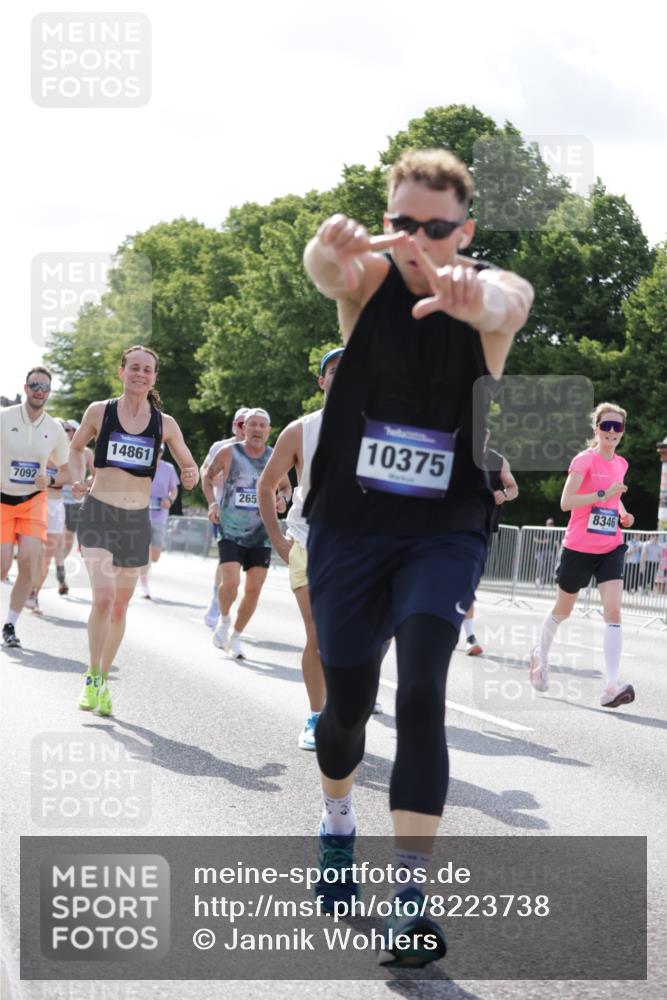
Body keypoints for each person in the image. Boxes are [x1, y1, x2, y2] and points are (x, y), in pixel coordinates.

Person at [301, 148, 533, 966]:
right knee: (347, 709)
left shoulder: (488, 295)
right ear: (385, 221)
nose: (417, 240)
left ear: (462, 231)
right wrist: (324, 247)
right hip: (349, 528)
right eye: (402, 223)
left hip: (443, 528)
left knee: (424, 693)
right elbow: (327, 270)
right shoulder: (366, 281)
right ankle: (336, 821)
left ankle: (409, 901)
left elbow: (509, 301)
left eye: (436, 229)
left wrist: (475, 297)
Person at [69, 345, 199, 716]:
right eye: (134, 368)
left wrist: (191, 474)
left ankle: (103, 678)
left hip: (135, 520)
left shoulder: (165, 424)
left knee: (120, 607)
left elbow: (189, 466)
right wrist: (77, 478)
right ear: (122, 372)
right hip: (98, 512)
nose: (140, 374)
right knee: (104, 598)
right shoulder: (100, 411)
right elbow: (76, 449)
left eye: (147, 370)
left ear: (154, 377)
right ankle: (92, 676)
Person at [257, 348, 341, 750]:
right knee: (319, 636)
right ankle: (316, 716)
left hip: (359, 550)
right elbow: (266, 484)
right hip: (308, 542)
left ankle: (345, 705)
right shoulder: (300, 431)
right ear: (322, 381)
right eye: (335, 371)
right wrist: (278, 539)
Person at [529, 403, 635, 709]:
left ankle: (611, 685)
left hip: (610, 546)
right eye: (606, 426)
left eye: (617, 427)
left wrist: (623, 513)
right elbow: (566, 502)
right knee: (563, 611)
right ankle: (540, 655)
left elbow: (613, 499)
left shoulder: (622, 463)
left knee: (613, 611)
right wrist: (602, 495)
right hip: (578, 548)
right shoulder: (584, 460)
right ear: (596, 429)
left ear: (622, 431)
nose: (612, 432)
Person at [204, 408, 291, 660]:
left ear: (269, 431)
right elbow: (207, 477)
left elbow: (286, 486)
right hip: (230, 529)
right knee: (231, 583)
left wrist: (283, 499)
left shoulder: (275, 457)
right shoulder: (228, 452)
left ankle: (236, 636)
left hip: (262, 533)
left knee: (254, 590)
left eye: (262, 425)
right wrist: (212, 503)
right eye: (252, 424)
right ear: (244, 427)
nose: (257, 429)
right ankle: (223, 619)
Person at [1, 367, 69, 647]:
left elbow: (66, 471)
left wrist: (50, 479)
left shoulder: (54, 429)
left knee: (29, 564)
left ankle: (9, 625)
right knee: (3, 564)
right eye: (35, 386)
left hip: (33, 501)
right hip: (2, 500)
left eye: (45, 387)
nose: (40, 391)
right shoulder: (4, 418)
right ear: (26, 388)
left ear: (49, 392)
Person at [463, 431, 518, 656]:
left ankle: (468, 636)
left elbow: (513, 488)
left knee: (467, 583)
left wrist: (504, 494)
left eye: (483, 430)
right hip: (449, 527)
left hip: (481, 531)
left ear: (488, 434)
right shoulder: (457, 452)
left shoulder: (498, 461)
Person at [200, 407, 249, 626]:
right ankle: (216, 603)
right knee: (227, 561)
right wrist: (213, 484)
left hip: (251, 517)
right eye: (240, 424)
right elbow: (204, 472)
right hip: (224, 513)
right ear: (234, 426)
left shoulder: (263, 451)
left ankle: (223, 603)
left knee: (240, 567)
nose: (245, 428)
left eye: (249, 424)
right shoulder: (220, 447)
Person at [27, 420, 72, 613]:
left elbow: (73, 478)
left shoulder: (68, 456)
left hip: (56, 506)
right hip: (35, 504)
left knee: (46, 557)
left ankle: (34, 594)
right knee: (33, 553)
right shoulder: (36, 451)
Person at [138, 444, 180, 599]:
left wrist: (170, 499)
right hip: (141, 514)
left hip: (160, 515)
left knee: (154, 556)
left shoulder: (169, 468)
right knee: (145, 549)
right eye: (155, 450)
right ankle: (144, 582)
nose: (157, 453)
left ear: (162, 452)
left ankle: (143, 568)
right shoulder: (140, 465)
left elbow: (174, 490)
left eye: (160, 451)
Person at [58, 419, 95, 595]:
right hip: (56, 499)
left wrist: (85, 483)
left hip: (74, 502)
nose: (66, 432)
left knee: (67, 541)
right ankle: (56, 571)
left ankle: (59, 566)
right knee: (53, 537)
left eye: (69, 429)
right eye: (64, 429)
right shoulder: (58, 449)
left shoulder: (87, 452)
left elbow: (96, 475)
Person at [533, 517, 557, 588]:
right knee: (541, 564)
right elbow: (534, 539)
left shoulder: (554, 533)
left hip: (548, 552)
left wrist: (559, 554)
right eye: (550, 523)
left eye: (552, 524)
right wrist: (544, 541)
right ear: (546, 524)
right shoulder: (542, 531)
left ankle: (552, 575)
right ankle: (538, 579)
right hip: (539, 551)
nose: (551, 525)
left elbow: (557, 543)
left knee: (554, 560)